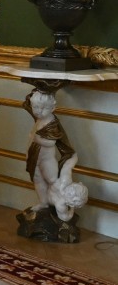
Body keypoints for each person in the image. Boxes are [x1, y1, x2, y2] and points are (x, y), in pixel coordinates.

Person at [23, 90, 88, 221]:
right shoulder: (39, 118)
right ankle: (43, 203)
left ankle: (46, 204)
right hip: (35, 157)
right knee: (38, 180)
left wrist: (38, 140)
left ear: (53, 108)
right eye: (35, 107)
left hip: (47, 160)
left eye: (43, 108)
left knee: (51, 179)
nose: (39, 111)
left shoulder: (52, 123)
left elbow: (52, 142)